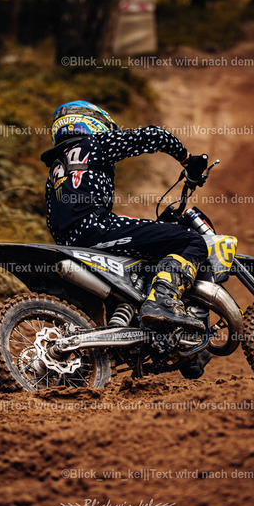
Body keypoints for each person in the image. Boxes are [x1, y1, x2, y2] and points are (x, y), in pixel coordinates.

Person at [42, 100, 212, 336]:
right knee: (191, 241)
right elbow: (155, 136)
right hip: (97, 227)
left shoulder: (55, 171)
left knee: (145, 253)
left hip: (70, 244)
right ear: (94, 122)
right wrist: (188, 161)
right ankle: (163, 300)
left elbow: (53, 220)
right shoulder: (94, 144)